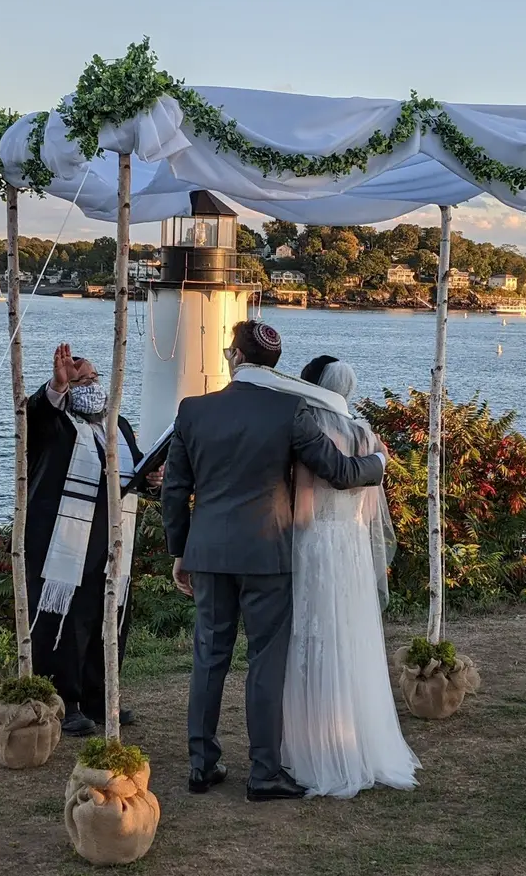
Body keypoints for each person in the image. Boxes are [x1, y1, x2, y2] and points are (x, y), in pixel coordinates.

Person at [161, 321, 387, 802]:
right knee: (266, 661)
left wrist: (180, 550)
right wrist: (380, 464)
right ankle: (263, 772)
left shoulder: (193, 410)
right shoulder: (292, 411)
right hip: (267, 553)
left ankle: (202, 765)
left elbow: (175, 490)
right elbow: (341, 472)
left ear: (235, 357)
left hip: (208, 553)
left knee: (209, 657)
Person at [282, 355, 420, 797]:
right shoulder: (366, 435)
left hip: (318, 546)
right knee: (352, 639)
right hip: (353, 547)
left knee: (313, 639)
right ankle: (360, 739)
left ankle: (312, 745)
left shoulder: (310, 435)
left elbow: (303, 514)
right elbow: (365, 508)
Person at [25, 343, 145, 737]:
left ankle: (98, 695)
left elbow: (134, 471)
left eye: (94, 377)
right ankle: (65, 700)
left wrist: (153, 479)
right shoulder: (56, 425)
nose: (92, 384)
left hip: (110, 541)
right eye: (82, 379)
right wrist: (56, 387)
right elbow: (35, 415)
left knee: (104, 617)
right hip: (63, 541)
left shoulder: (117, 425)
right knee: (67, 622)